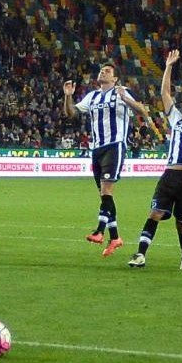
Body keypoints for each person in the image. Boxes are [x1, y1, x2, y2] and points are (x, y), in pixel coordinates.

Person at [129, 48, 182, 270]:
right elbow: (165, 94)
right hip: (170, 173)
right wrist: (168, 66)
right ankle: (140, 254)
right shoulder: (175, 117)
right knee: (155, 213)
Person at [63, 62, 151, 258]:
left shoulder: (122, 91)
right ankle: (116, 238)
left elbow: (142, 111)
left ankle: (99, 231)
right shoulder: (92, 96)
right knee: (105, 195)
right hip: (97, 149)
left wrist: (125, 99)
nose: (103, 72)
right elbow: (71, 113)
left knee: (106, 190)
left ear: (115, 79)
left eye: (108, 71)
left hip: (115, 145)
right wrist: (68, 95)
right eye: (102, 70)